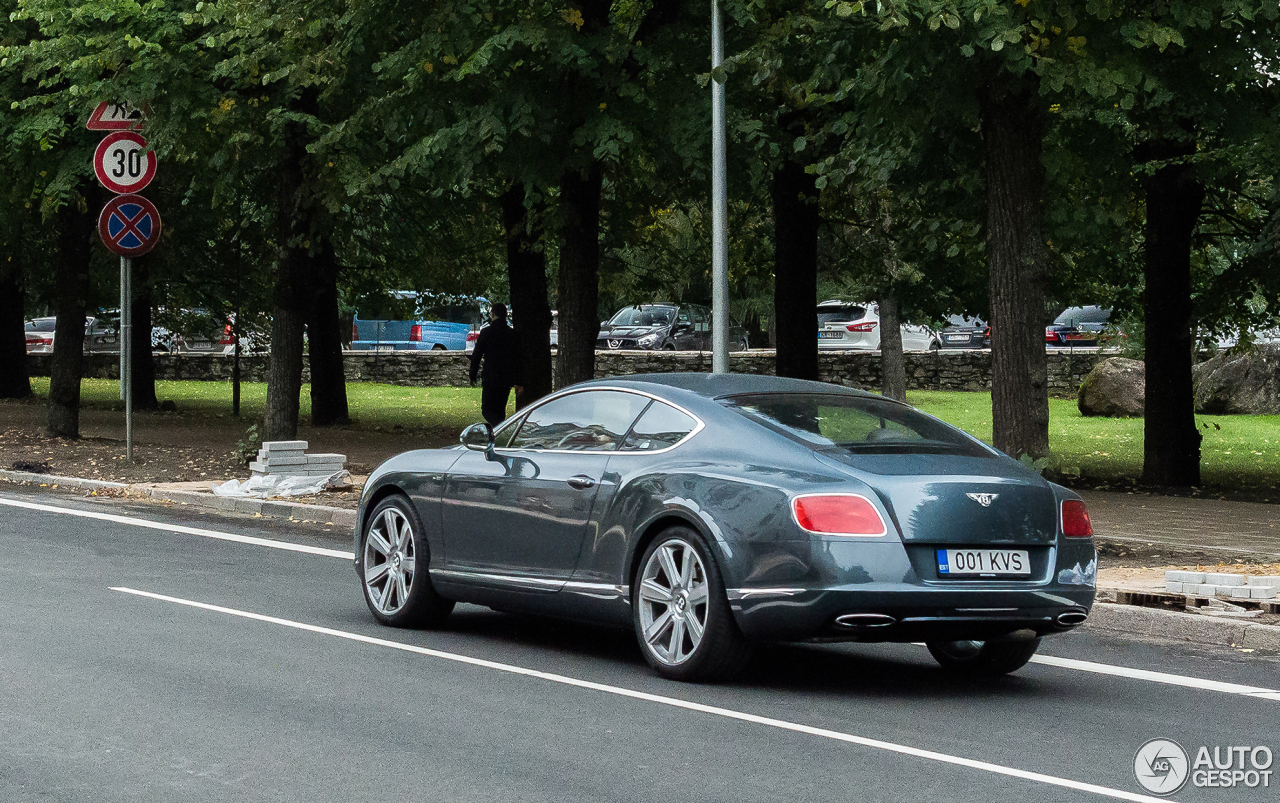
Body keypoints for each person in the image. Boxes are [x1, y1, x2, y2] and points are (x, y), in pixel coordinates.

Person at [469, 303, 523, 428]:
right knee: (500, 408)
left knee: (487, 408)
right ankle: (498, 428)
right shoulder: (512, 334)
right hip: (506, 378)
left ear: (493, 314)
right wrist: (519, 380)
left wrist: (473, 375)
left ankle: (498, 427)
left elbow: (476, 355)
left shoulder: (487, 332)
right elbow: (518, 358)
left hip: (491, 376)